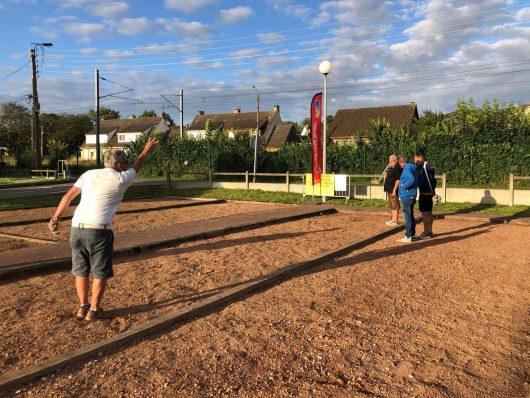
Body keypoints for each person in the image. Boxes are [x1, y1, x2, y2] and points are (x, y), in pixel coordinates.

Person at [48, 137, 158, 321]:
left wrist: (56, 217)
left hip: (77, 228)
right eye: (124, 163)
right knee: (100, 271)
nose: (126, 165)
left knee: (80, 270)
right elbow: (138, 165)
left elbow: (67, 197)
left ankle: (82, 307)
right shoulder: (122, 178)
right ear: (120, 164)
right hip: (99, 231)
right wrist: (146, 149)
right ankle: (94, 309)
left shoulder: (88, 174)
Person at [397, 154, 420, 243]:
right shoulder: (414, 168)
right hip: (412, 194)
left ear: (400, 162)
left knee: (407, 216)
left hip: (406, 195)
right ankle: (412, 234)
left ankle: (408, 235)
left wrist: (403, 186)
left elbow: (411, 179)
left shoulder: (406, 168)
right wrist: (414, 188)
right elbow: (419, 179)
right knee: (410, 215)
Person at [415, 152, 437, 238]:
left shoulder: (425, 167)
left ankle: (426, 232)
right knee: (429, 212)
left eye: (415, 159)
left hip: (425, 194)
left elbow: (431, 180)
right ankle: (429, 231)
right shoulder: (426, 166)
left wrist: (432, 190)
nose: (415, 161)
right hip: (428, 193)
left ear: (419, 158)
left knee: (425, 214)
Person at [383, 155, 402, 226]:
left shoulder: (398, 168)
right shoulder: (391, 167)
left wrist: (394, 190)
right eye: (389, 161)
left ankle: (396, 220)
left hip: (393, 190)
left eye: (391, 161)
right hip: (389, 189)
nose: (390, 162)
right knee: (392, 205)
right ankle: (393, 219)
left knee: (395, 205)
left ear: (396, 160)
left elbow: (398, 180)